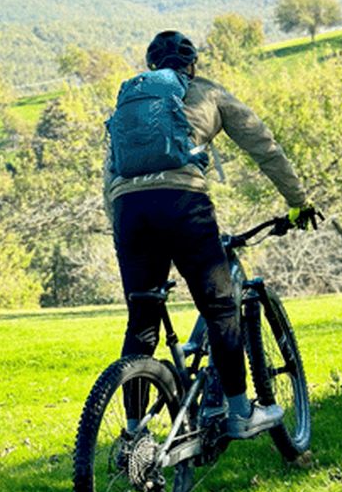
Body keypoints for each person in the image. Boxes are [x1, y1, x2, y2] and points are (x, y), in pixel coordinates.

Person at [104, 30, 319, 439]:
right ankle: (241, 413)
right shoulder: (207, 93)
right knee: (221, 309)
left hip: (130, 212)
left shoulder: (132, 105)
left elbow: (110, 174)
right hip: (183, 204)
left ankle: (134, 434)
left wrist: (122, 231)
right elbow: (263, 146)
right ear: (192, 65)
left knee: (142, 321)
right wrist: (298, 200)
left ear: (152, 68)